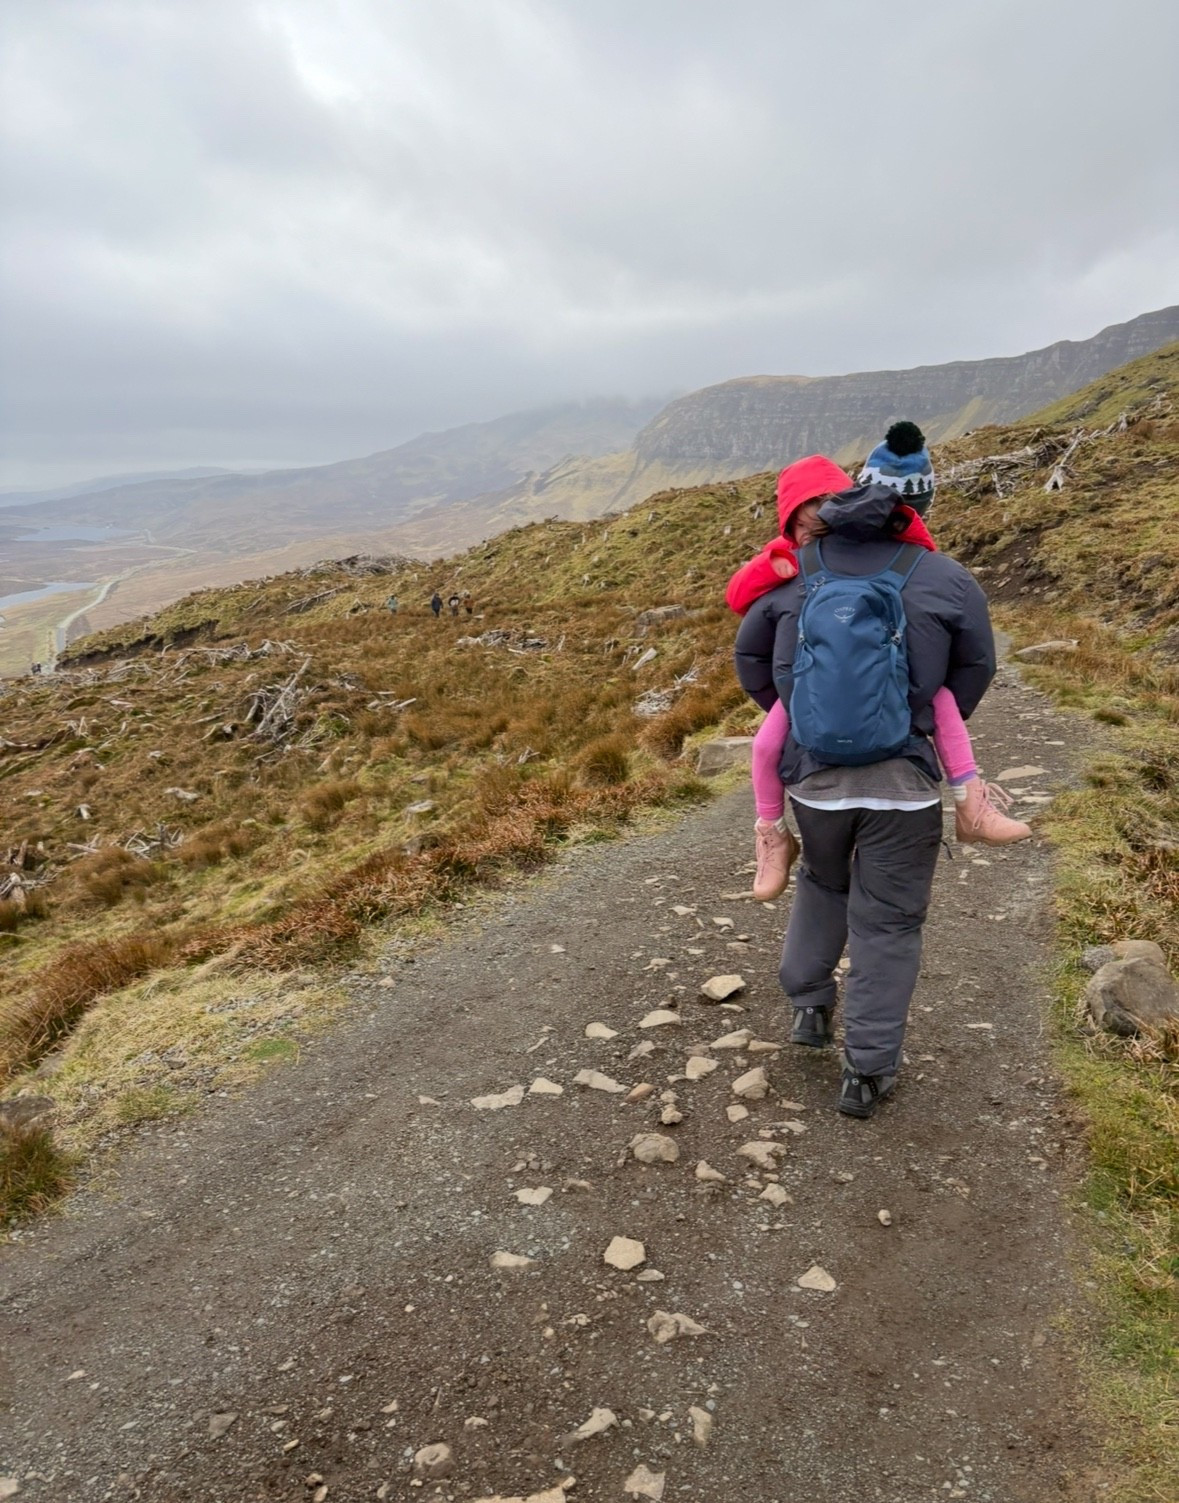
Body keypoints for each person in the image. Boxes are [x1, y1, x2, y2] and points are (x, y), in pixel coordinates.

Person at [734, 457, 1002, 1118]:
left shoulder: (793, 573)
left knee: (824, 882)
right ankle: (867, 1071)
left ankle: (807, 1005)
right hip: (904, 789)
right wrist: (920, 719)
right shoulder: (943, 575)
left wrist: (805, 720)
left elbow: (751, 656)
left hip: (815, 783)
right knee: (887, 923)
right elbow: (976, 663)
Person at [727, 441, 1028, 903]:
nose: (813, 531)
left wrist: (914, 709)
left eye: (823, 518)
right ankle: (770, 831)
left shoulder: (896, 551)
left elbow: (749, 654)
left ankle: (972, 802)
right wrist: (800, 702)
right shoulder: (787, 559)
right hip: (811, 690)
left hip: (877, 688)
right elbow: (738, 598)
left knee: (940, 702)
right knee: (765, 745)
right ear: (788, 525)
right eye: (803, 524)